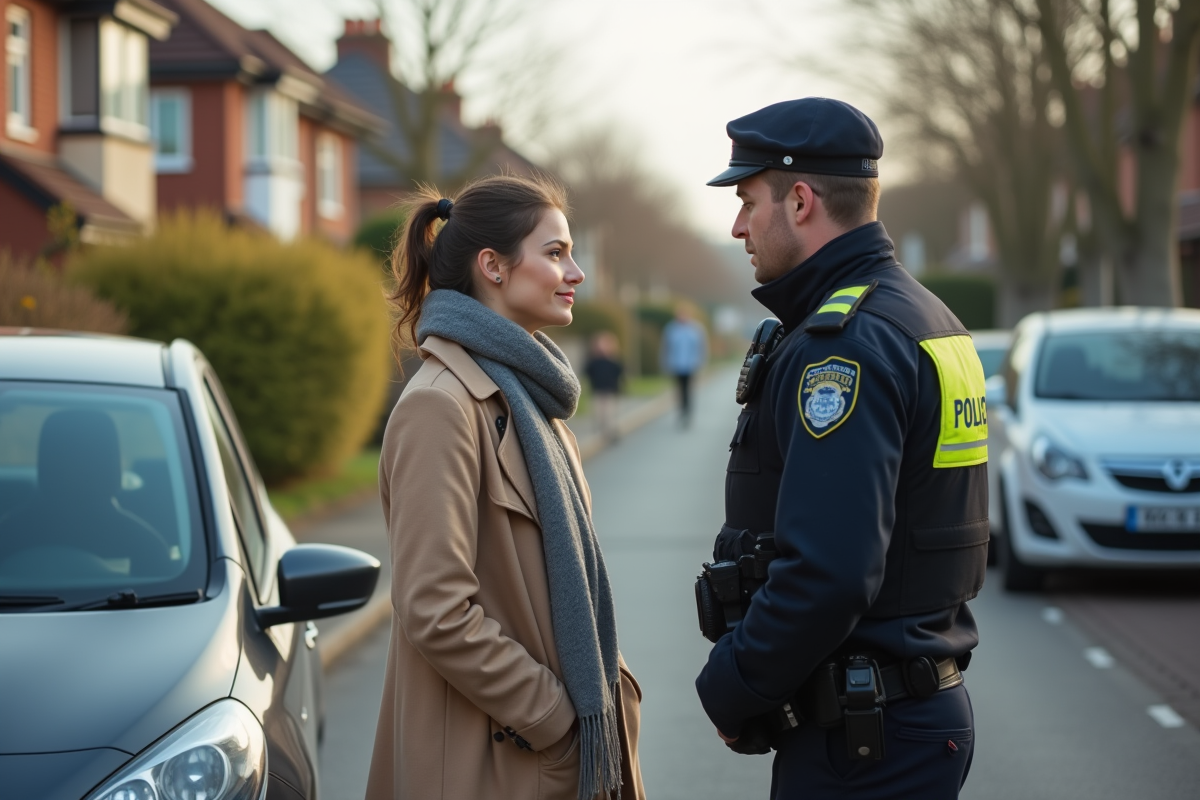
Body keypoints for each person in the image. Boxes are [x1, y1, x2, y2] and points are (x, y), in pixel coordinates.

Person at [694, 98, 988, 799]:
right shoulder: (923, 315)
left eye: (747, 201)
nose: (737, 226)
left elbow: (829, 571)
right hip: (902, 720)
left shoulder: (847, 346)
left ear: (799, 201)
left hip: (866, 743)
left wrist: (732, 686)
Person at [367, 175, 645, 800]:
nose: (575, 272)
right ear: (492, 266)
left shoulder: (534, 405)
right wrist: (554, 718)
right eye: (555, 253)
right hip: (492, 761)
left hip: (552, 758)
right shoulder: (441, 407)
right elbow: (435, 609)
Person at [660, 305, 707, 426]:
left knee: (688, 390)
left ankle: (688, 413)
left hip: (691, 365)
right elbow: (666, 347)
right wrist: (664, 362)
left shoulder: (696, 329)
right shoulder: (671, 329)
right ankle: (681, 412)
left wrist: (701, 363)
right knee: (679, 390)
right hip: (676, 364)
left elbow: (701, 348)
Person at [584, 331, 624, 442]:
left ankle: (611, 433)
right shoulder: (593, 362)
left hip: (610, 390)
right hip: (597, 390)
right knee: (599, 413)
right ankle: (602, 433)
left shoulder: (613, 361)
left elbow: (620, 375)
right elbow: (587, 373)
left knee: (609, 413)